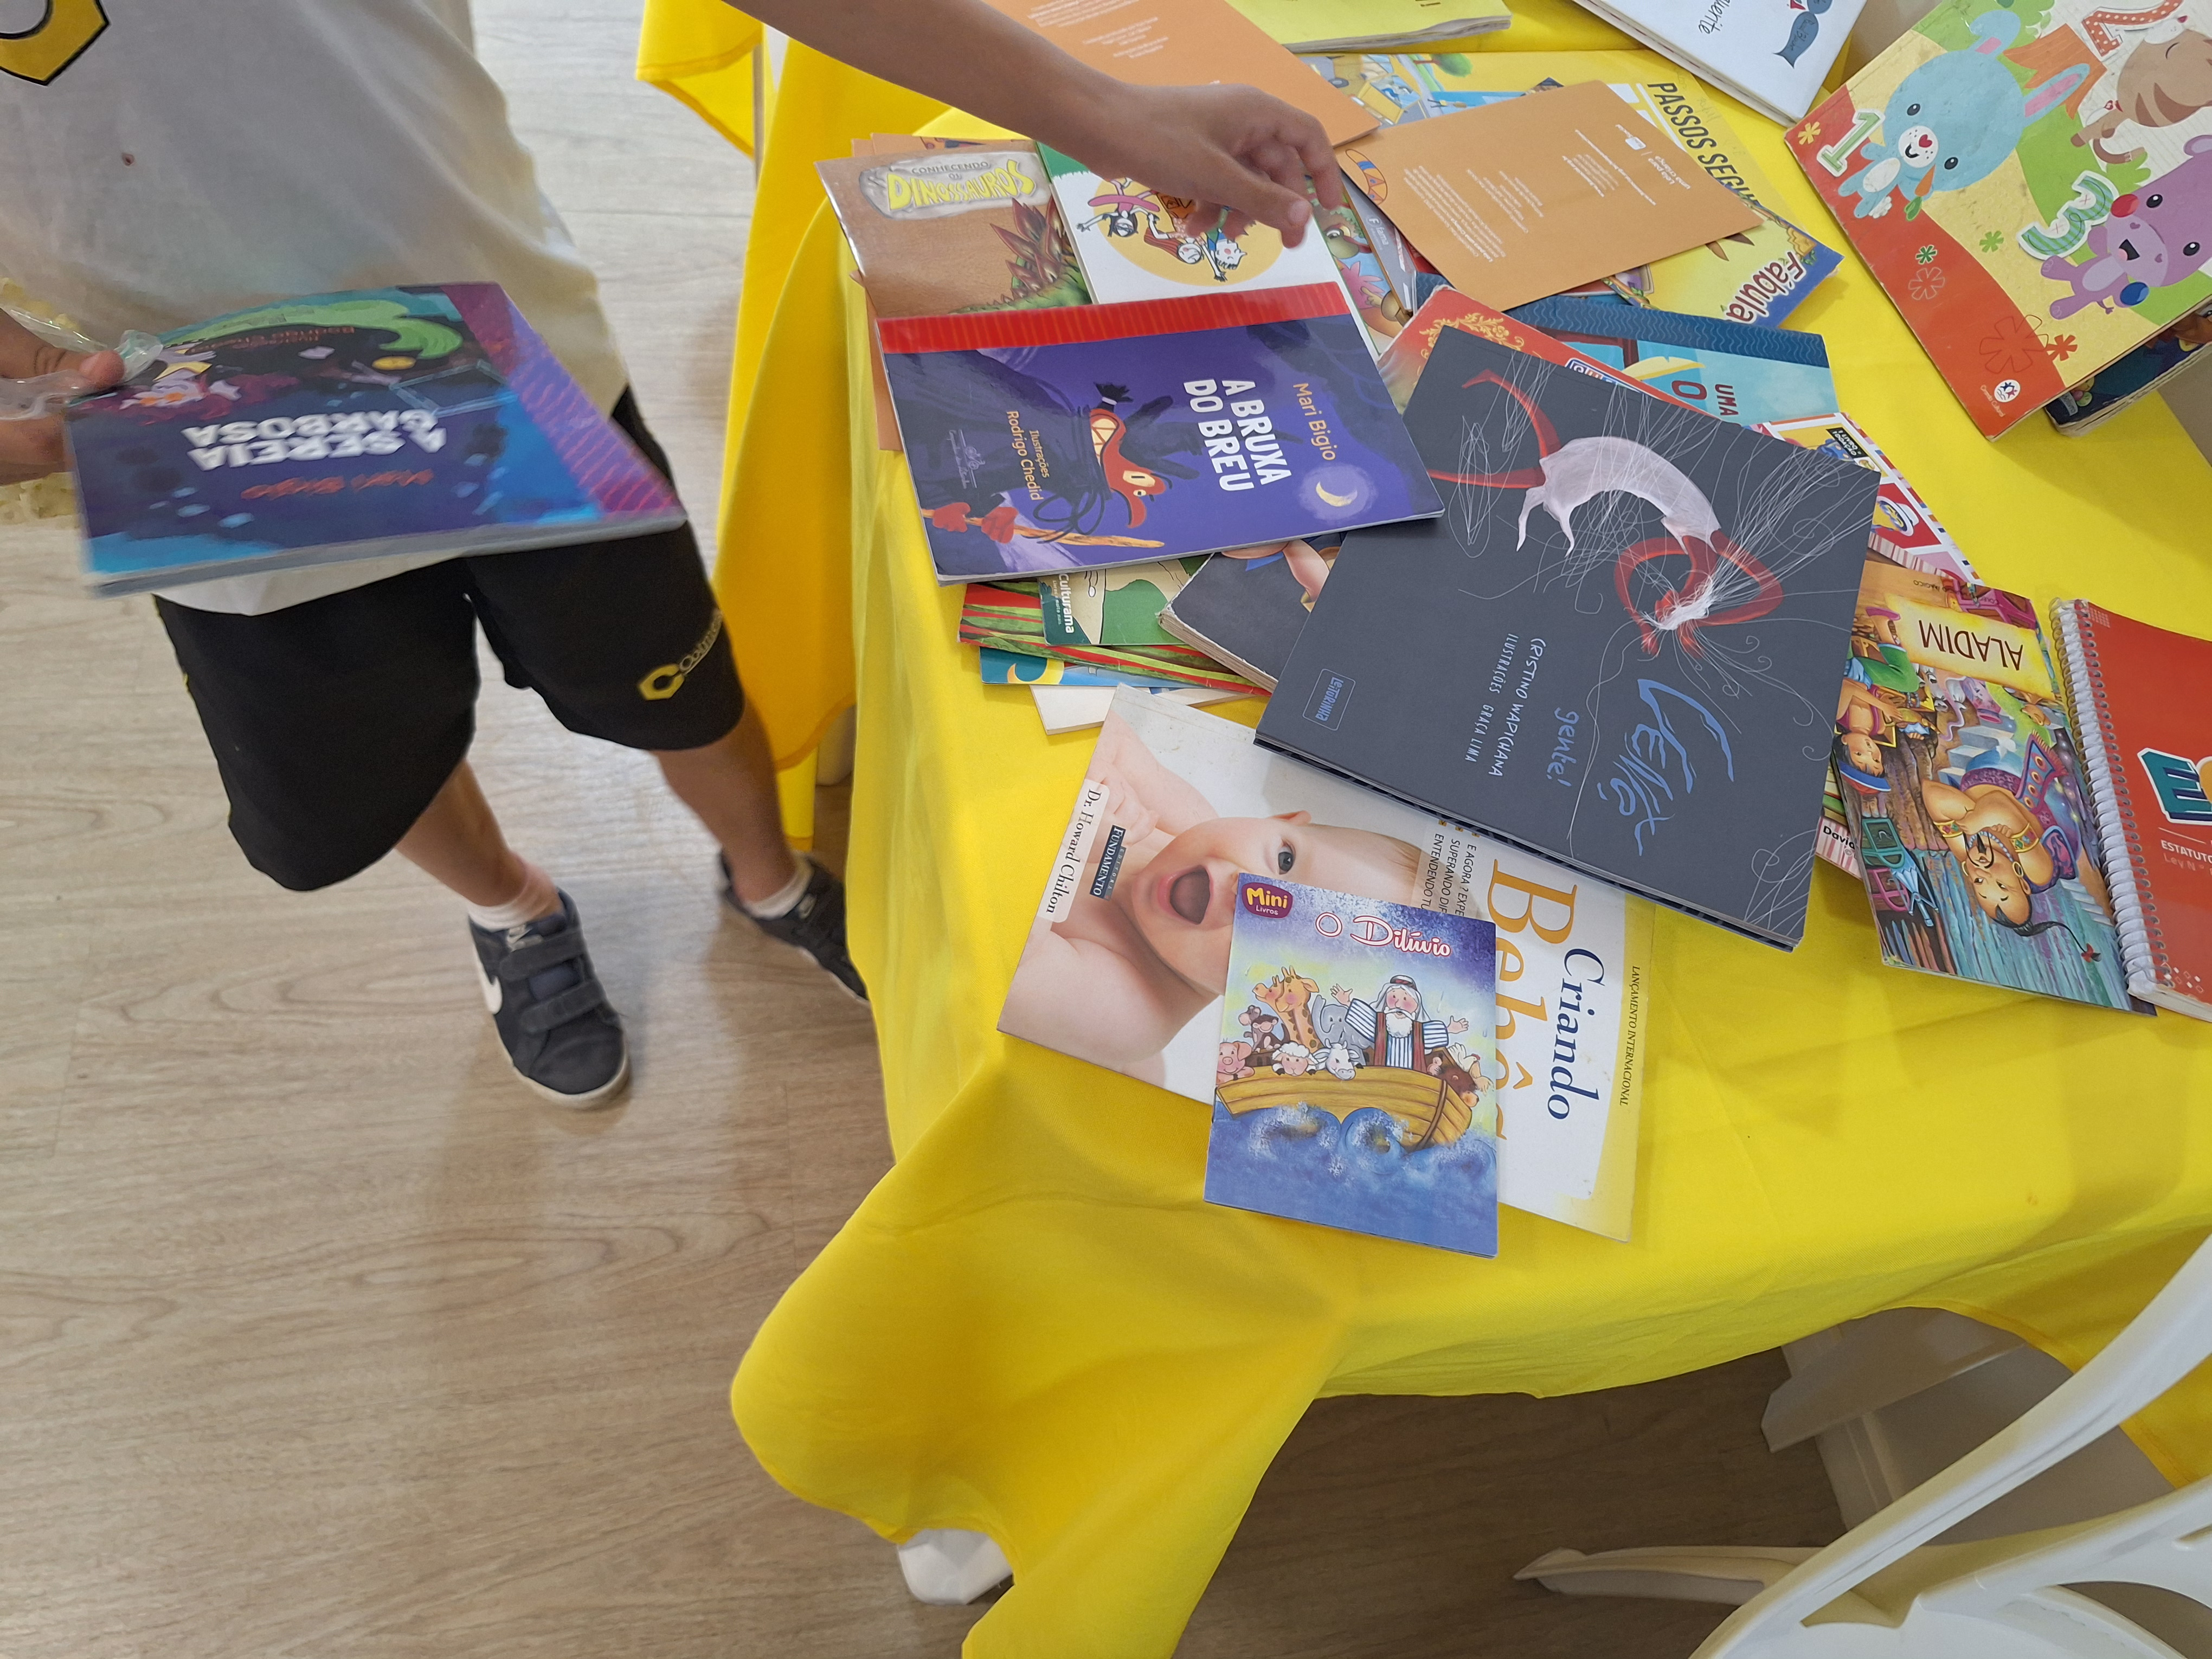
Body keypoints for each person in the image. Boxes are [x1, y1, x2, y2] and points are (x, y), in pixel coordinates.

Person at [0, 0, 1340, 1107]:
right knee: (365, 743)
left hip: (510, 358)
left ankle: (768, 878)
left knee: (672, 676)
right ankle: (515, 909)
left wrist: (1103, 110)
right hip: (184, 425)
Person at [1000, 709, 1435, 1077]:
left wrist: (1071, 840)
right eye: (1285, 860)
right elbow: (1102, 728)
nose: (1249, 892)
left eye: (1274, 937)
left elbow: (1000, 963)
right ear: (1279, 820)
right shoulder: (1187, 819)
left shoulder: (1135, 1013)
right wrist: (1095, 773)